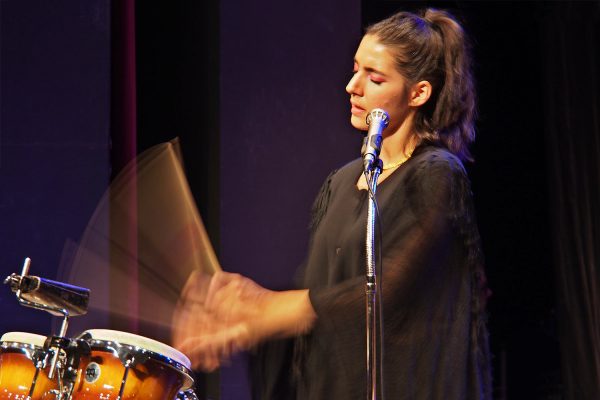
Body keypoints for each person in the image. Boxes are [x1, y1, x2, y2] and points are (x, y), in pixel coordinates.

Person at [173, 8, 492, 399]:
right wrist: (242, 321)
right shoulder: (340, 184)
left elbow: (387, 293)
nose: (352, 86)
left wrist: (266, 312)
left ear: (418, 93)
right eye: (356, 69)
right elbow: (320, 307)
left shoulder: (436, 175)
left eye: (374, 78)